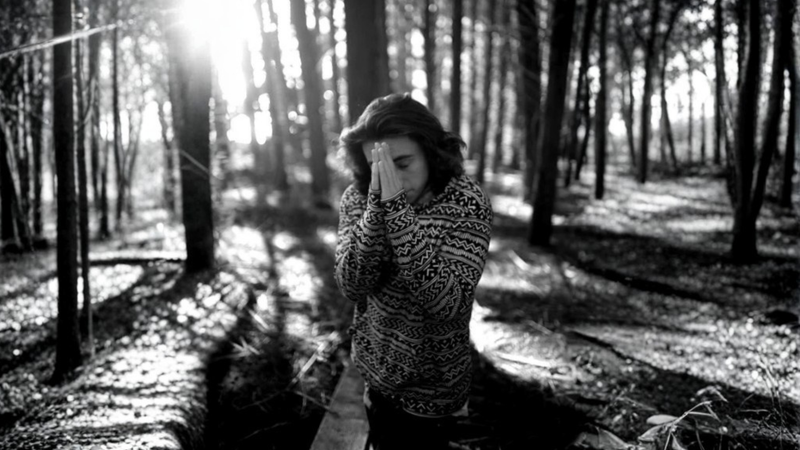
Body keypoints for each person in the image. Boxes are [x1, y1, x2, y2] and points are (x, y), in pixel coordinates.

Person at [334, 93, 493, 450]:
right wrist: (377, 211)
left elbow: (446, 302)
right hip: (374, 372)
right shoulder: (358, 198)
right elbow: (351, 285)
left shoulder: (466, 203)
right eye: (379, 168)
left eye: (403, 163)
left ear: (432, 153)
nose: (392, 179)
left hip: (433, 390)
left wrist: (399, 217)